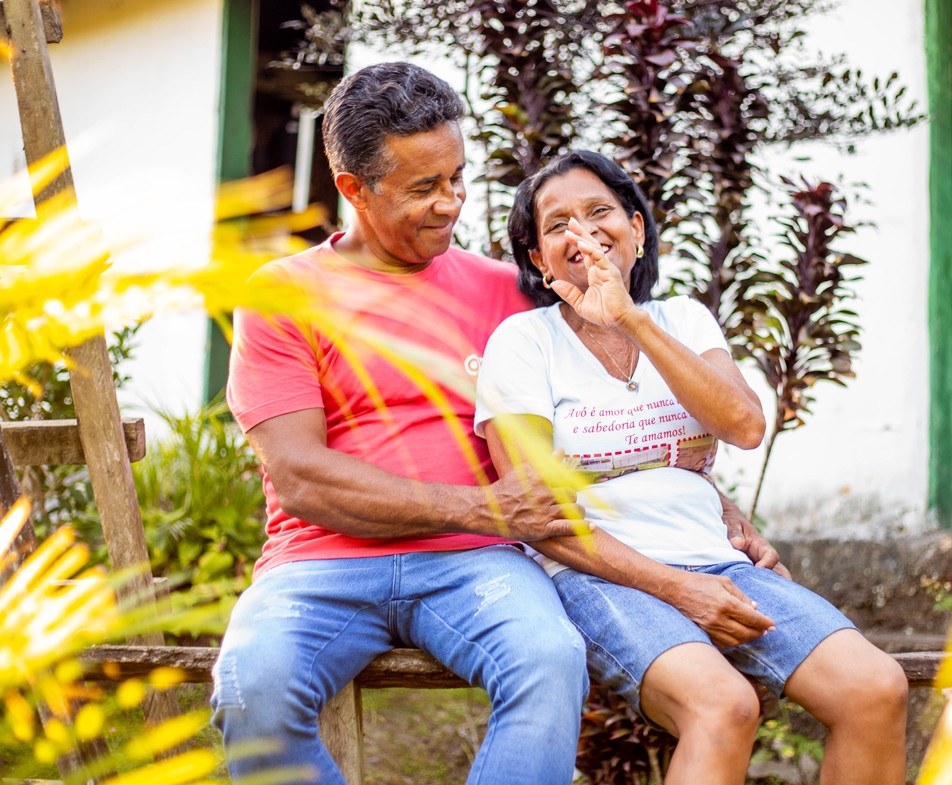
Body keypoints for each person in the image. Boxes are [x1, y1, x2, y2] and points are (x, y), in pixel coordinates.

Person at [211, 63, 782, 785]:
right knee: (249, 691)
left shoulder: (508, 293)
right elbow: (298, 475)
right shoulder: (282, 294)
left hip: (476, 562)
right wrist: (482, 506)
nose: (450, 202)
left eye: (457, 176)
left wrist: (713, 501)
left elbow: (609, 409)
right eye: (424, 186)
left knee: (549, 661)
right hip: (322, 563)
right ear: (352, 188)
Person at [475, 150, 909, 785]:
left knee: (875, 689)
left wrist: (629, 318)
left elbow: (744, 425)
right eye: (557, 223)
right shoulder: (524, 342)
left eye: (600, 212)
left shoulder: (681, 320)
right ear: (539, 260)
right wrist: (676, 587)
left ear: (637, 228)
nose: (583, 232)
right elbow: (539, 515)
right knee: (723, 706)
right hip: (597, 573)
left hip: (721, 564)